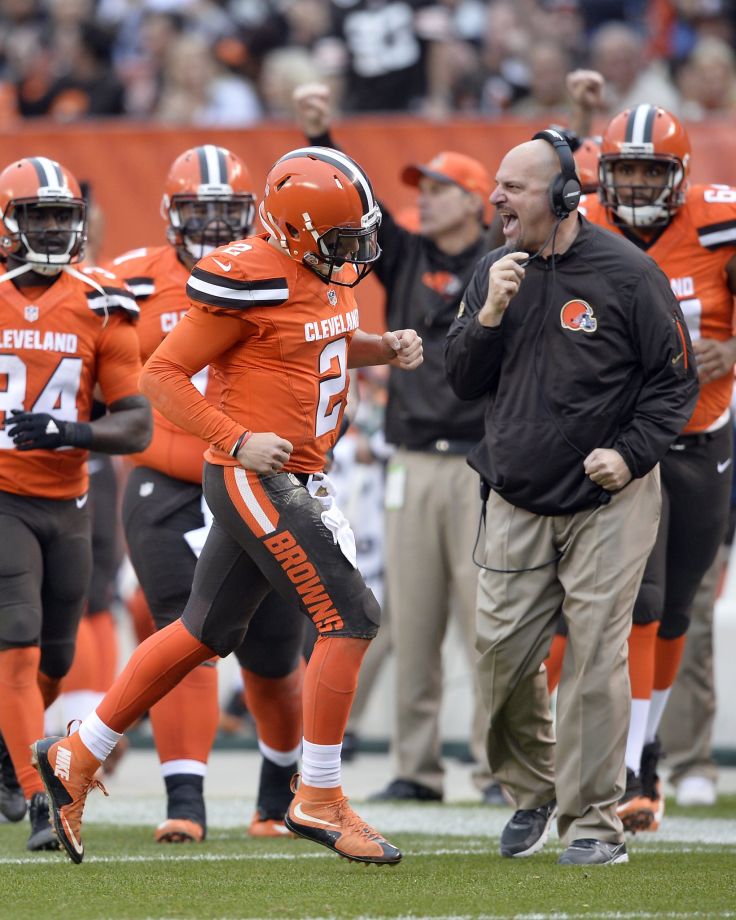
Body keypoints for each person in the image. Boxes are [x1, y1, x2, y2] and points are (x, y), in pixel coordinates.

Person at [32, 145, 423, 867]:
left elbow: (318, 347)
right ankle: (319, 794)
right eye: (341, 239)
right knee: (351, 615)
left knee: (204, 631)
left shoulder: (317, 274)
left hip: (294, 474)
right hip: (254, 477)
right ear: (299, 231)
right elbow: (165, 375)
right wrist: (237, 440)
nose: (355, 253)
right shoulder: (251, 276)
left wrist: (380, 349)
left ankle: (77, 752)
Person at [445, 129, 699, 865]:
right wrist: (488, 314)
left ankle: (593, 824)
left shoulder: (629, 273)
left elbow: (674, 381)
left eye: (513, 187)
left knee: (595, 658)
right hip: (517, 494)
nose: (496, 198)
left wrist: (630, 454)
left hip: (606, 498)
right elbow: (460, 380)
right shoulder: (495, 269)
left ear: (561, 196)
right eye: (497, 184)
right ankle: (533, 790)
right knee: (497, 657)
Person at [293, 82, 500, 803]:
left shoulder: (503, 260)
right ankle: (417, 768)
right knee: (412, 623)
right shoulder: (408, 256)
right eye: (428, 187)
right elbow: (361, 205)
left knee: (487, 626)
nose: (430, 197)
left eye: (444, 188)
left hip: (478, 464)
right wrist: (325, 137)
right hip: (410, 460)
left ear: (478, 201)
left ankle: (494, 767)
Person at [111, 144, 306, 841]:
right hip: (165, 477)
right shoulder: (130, 279)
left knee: (275, 651)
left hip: (255, 480)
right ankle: (184, 803)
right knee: (184, 627)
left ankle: (274, 797)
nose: (215, 226)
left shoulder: (282, 275)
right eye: (200, 211)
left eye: (228, 213)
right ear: (171, 214)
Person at [579, 104, 736, 831]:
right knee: (632, 606)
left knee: (675, 608)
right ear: (603, 173)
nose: (638, 182)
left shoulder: (718, 226)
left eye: (651, 169)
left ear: (680, 176)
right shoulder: (581, 224)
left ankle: (647, 761)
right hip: (618, 446)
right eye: (626, 168)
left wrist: (732, 353)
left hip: (701, 435)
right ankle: (627, 768)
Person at [0, 156, 151, 851]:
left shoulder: (101, 298)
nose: (56, 228)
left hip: (69, 500)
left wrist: (71, 430)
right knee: (18, 645)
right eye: (41, 216)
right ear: (9, 223)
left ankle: (7, 752)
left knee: (54, 658)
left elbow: (138, 422)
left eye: (64, 215)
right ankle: (39, 800)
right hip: (3, 497)